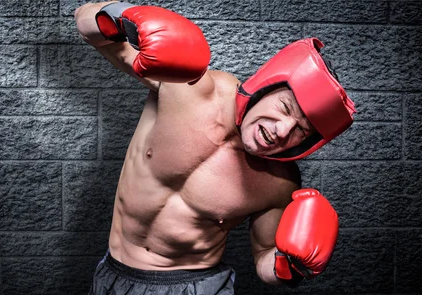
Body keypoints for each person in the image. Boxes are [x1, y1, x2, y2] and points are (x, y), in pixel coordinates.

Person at [75, 2, 356, 294]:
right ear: (265, 86)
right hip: (113, 275)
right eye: (284, 107)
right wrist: (121, 17)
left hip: (196, 287)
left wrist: (289, 267)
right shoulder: (190, 86)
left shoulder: (279, 182)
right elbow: (87, 25)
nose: (282, 130)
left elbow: (263, 256)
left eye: (301, 130)